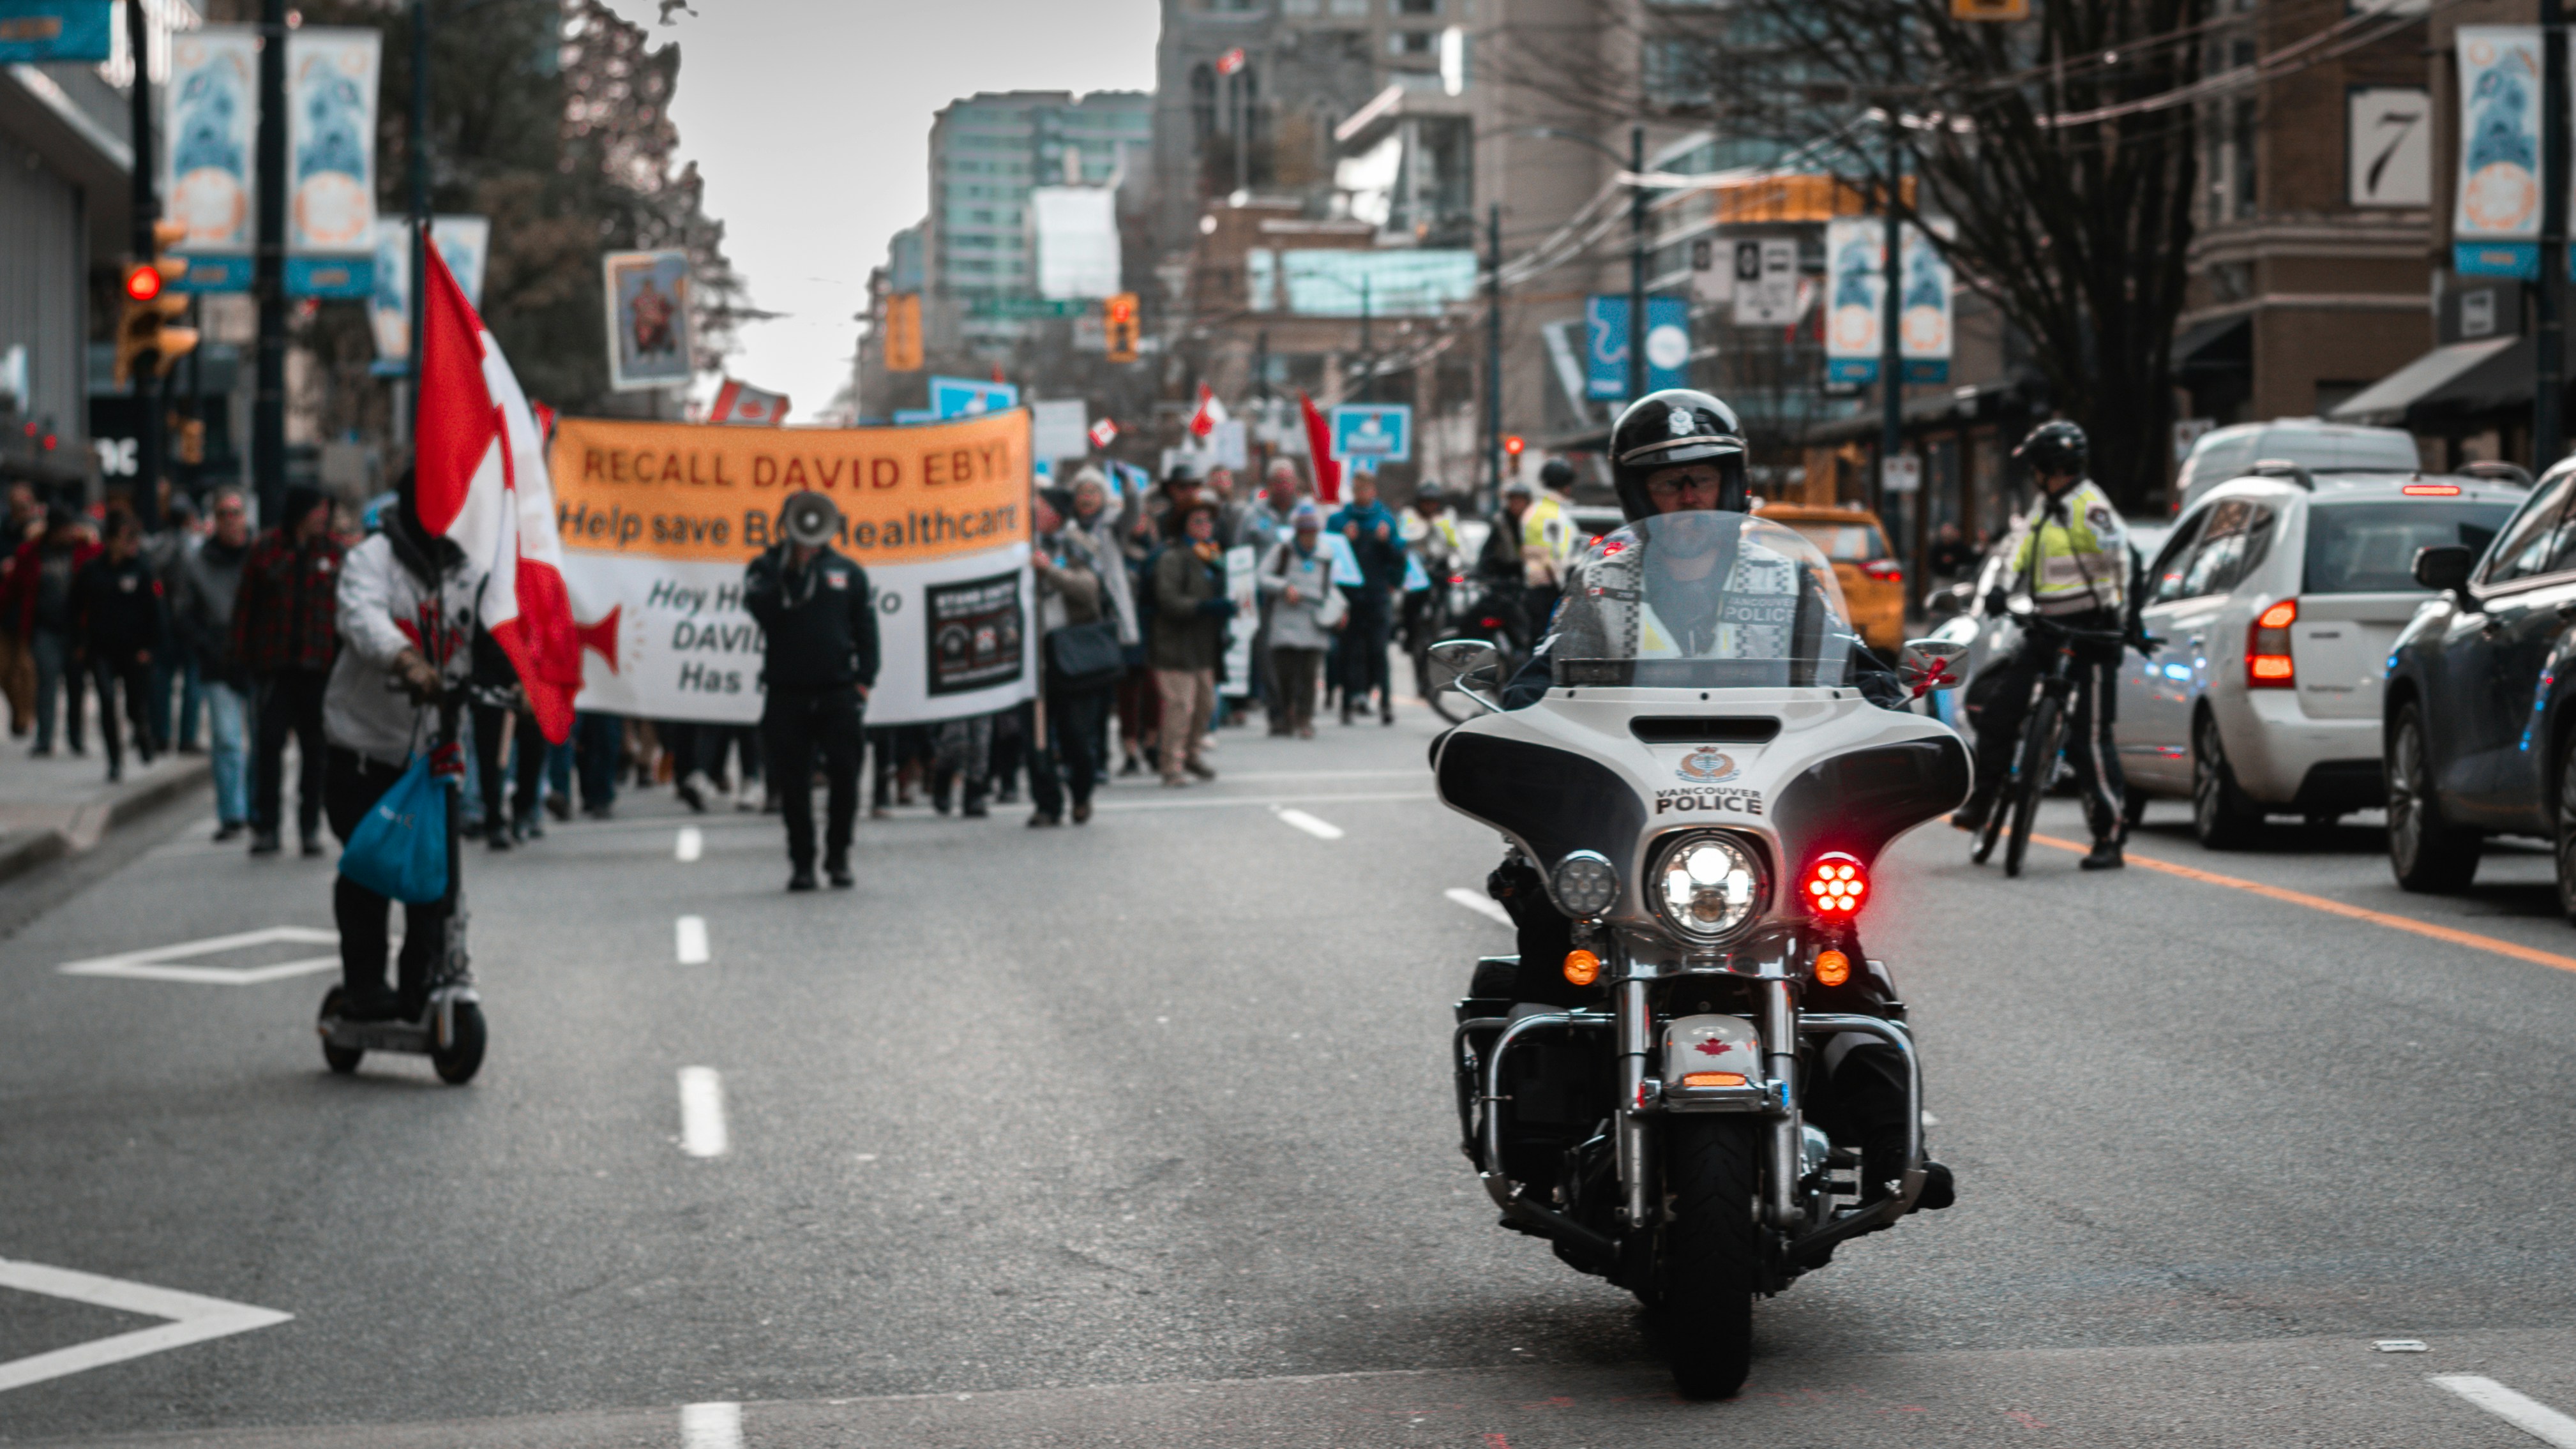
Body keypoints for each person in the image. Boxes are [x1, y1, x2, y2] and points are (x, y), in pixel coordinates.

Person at [1486, 387, 1947, 1216]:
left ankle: (1892, 1146)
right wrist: (1511, 718)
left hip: (1759, 815)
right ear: (1639, 495)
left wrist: (1891, 707)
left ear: (1730, 483)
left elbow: (1854, 669)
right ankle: (1533, 1140)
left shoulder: (1785, 577)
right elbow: (1540, 678)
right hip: (1636, 817)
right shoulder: (1602, 582)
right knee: (1550, 922)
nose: (1688, 500)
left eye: (1701, 479)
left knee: (1834, 950)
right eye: (1667, 484)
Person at [320, 474, 472, 1022]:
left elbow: (502, 626)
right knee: (374, 868)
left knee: (435, 878)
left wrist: (523, 680)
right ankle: (364, 986)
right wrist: (405, 659)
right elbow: (361, 617)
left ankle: (421, 985)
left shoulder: (471, 568)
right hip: (363, 753)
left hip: (432, 758)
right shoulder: (372, 559)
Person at [1948, 419, 2130, 870]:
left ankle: (2108, 836)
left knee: (2089, 739)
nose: (2032, 474)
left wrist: (2119, 618)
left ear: (2049, 468)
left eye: (2035, 466)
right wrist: (2000, 589)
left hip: (2090, 632)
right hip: (2047, 628)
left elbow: (2120, 564)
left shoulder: (2092, 508)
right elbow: (2017, 552)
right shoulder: (2043, 508)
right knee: (1998, 712)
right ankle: (1982, 802)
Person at [742, 492, 878, 891]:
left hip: (838, 693)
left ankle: (839, 856)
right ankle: (802, 862)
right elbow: (762, 612)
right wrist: (792, 571)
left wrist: (864, 681)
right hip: (787, 693)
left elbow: (866, 630)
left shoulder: (848, 572)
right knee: (793, 783)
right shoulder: (766, 568)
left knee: (846, 776)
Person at [233, 485, 342, 857]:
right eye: (317, 509)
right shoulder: (266, 549)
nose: (323, 517)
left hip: (318, 667)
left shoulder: (333, 553)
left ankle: (309, 827)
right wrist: (240, 660)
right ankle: (267, 826)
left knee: (316, 751)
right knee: (269, 746)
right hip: (274, 666)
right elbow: (245, 608)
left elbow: (345, 613)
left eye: (326, 509)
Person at [1027, 488, 1114, 825]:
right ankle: (1047, 804)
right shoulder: (1020, 546)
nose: (1033, 513)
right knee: (1036, 735)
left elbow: (1088, 589)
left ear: (1057, 513)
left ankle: (1081, 794)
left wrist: (1049, 571)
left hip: (1072, 650)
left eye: (1040, 507)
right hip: (1033, 652)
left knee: (1076, 734)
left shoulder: (1076, 544)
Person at [174, 488, 253, 839]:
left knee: (261, 742)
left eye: (236, 513)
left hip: (256, 659)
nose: (231, 520)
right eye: (224, 514)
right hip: (218, 661)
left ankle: (256, 808)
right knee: (227, 740)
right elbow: (183, 613)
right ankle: (233, 813)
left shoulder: (258, 557)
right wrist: (206, 647)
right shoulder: (198, 564)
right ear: (214, 520)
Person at [72, 511, 163, 783]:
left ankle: (142, 731)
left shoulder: (141, 569)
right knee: (107, 699)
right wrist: (78, 643)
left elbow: (155, 611)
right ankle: (114, 759)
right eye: (125, 538)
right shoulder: (92, 570)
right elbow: (73, 607)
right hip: (101, 649)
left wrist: (150, 646)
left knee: (135, 703)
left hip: (134, 650)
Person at [1150, 498, 1233, 785]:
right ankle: (1171, 763)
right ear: (1183, 525)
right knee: (1180, 706)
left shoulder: (1211, 555)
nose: (1205, 526)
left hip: (1204, 644)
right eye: (1198, 521)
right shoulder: (1173, 557)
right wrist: (1203, 607)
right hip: (1175, 644)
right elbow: (1168, 600)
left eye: (1209, 521)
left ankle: (1191, 754)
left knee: (1205, 705)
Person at [7, 507, 98, 757]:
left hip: (76, 630)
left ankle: (76, 738)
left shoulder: (83, 551)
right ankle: (45, 738)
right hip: (45, 628)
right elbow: (15, 587)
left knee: (76, 685)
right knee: (46, 683)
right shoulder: (32, 553)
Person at [1327, 472, 1406, 725]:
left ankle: (1385, 704)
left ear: (1373, 491)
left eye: (1366, 489)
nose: (1362, 494)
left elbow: (1399, 558)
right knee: (1348, 651)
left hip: (1377, 595)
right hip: (1348, 597)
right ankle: (1347, 703)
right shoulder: (1339, 520)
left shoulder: (1385, 519)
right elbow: (1327, 555)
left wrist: (1386, 543)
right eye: (1357, 489)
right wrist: (1345, 541)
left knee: (1378, 651)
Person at [1258, 504, 1337, 738]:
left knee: (1309, 674)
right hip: (1285, 620)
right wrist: (1284, 588)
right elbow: (1262, 576)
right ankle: (1285, 714)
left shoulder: (1326, 555)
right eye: (1305, 533)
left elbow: (1330, 587)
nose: (1309, 538)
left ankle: (1305, 718)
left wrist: (1340, 610)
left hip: (1314, 620)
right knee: (1285, 673)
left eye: (1313, 533)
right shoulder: (1282, 551)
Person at [0, 483, 40, 735]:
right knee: (4, 668)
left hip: (30, 612)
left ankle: (25, 715)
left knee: (25, 668)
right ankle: (18, 710)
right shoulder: (4, 531)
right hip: (5, 610)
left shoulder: (39, 534)